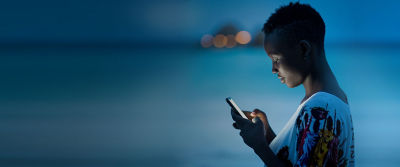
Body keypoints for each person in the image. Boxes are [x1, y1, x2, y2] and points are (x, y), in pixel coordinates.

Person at [230, 2, 355, 166]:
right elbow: (296, 160)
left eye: (276, 60)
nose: (273, 69)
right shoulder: (328, 99)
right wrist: (266, 134)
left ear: (304, 49)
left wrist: (259, 146)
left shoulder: (321, 108)